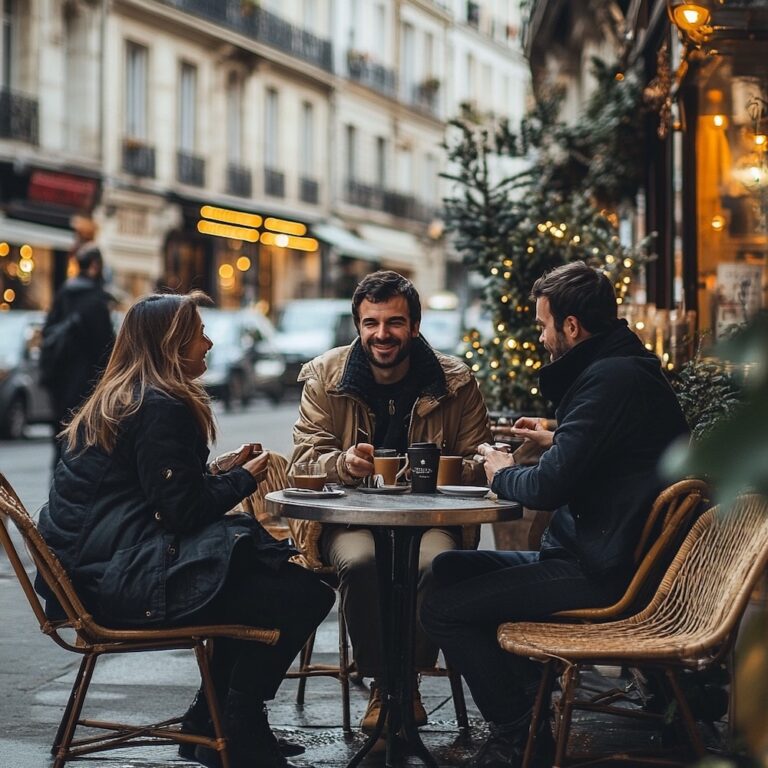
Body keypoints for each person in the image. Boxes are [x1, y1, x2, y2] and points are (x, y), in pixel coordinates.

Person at [35, 291, 334, 768]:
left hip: (92, 571)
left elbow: (153, 492)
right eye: (198, 334)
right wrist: (246, 478)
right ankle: (236, 723)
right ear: (172, 344)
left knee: (263, 579)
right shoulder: (159, 406)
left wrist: (218, 472)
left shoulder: (126, 395)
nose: (209, 342)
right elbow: (183, 513)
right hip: (118, 581)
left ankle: (211, 720)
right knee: (306, 592)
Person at [420, 261, 690, 768]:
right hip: (604, 553)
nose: (542, 337)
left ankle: (519, 730)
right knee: (448, 569)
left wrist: (500, 471)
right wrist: (556, 438)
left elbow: (544, 488)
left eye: (544, 325)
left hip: (604, 572)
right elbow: (614, 451)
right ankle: (528, 702)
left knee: (441, 609)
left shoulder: (608, 379)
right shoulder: (623, 367)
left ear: (571, 326)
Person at [289, 270, 492, 733]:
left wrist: (437, 469)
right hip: (347, 517)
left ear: (415, 327)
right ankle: (385, 683)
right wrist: (343, 463)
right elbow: (304, 455)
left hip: (430, 516)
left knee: (435, 564)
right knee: (362, 563)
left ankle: (407, 683)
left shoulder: (455, 381)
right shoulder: (325, 374)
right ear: (357, 326)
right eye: (371, 323)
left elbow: (480, 463)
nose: (382, 334)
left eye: (395, 323)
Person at [41, 242, 115, 469]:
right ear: (95, 266)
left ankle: (57, 490)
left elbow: (47, 333)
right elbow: (105, 346)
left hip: (59, 381)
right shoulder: (95, 299)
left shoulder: (64, 293)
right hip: (85, 384)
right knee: (84, 443)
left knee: (61, 440)